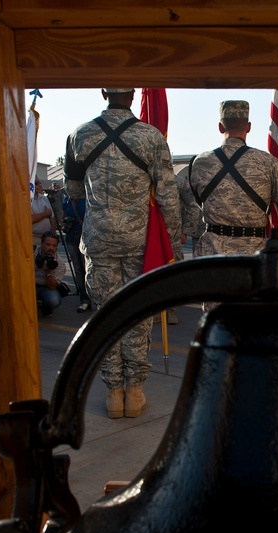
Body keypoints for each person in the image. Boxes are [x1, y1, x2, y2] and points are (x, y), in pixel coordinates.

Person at [64, 87, 180, 419]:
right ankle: (135, 391)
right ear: (132, 94)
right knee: (138, 314)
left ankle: (113, 393)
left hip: (98, 238)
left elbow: (73, 192)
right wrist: (170, 241)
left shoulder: (79, 135)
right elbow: (168, 195)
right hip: (139, 241)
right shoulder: (151, 137)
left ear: (104, 92)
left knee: (105, 315)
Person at [187, 100, 278, 274]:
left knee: (215, 300)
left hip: (213, 252)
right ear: (248, 127)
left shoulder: (200, 163)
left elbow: (198, 201)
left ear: (220, 127)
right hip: (254, 253)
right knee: (250, 301)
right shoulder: (268, 163)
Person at [34, 231, 67, 317]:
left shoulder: (59, 263)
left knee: (53, 300)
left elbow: (52, 286)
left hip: (45, 287)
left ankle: (46, 306)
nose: (51, 248)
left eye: (54, 246)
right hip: (27, 285)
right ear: (41, 243)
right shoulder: (31, 253)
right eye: (48, 245)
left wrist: (47, 272)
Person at [30, 179, 55, 247]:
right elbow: (29, 219)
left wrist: (53, 235)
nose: (39, 185)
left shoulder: (44, 198)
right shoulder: (26, 200)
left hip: (46, 238)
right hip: (33, 239)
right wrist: (45, 214)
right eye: (36, 183)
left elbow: (51, 218)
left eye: (40, 183)